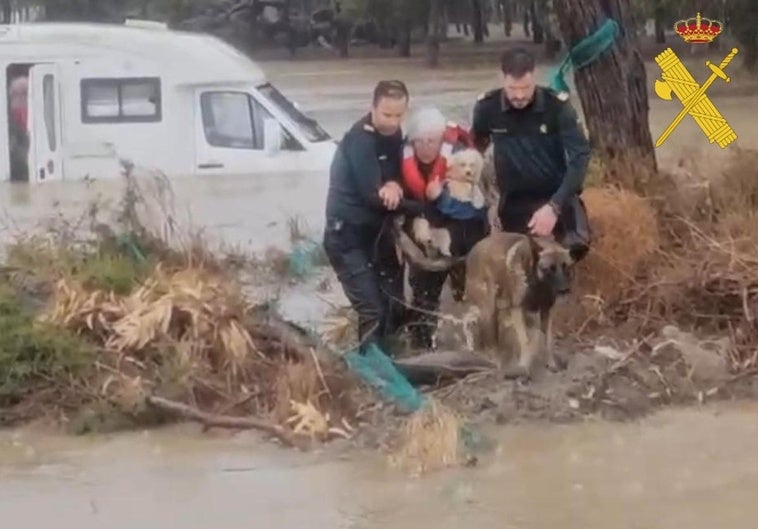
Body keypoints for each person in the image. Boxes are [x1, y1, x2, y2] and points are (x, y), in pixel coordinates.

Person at [323, 80, 417, 355]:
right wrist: (421, 208)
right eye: (386, 115)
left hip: (376, 235)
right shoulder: (359, 140)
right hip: (346, 237)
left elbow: (395, 175)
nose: (392, 122)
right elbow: (373, 197)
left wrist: (396, 185)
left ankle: (394, 356)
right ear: (372, 108)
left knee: (395, 304)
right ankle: (370, 369)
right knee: (372, 310)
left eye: (399, 115)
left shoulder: (395, 134)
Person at [471, 47, 591, 260]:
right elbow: (474, 151)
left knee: (573, 251)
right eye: (512, 88)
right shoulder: (487, 108)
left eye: (525, 88)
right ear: (502, 78)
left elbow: (580, 156)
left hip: (556, 195)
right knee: (520, 261)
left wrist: (554, 207)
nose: (519, 96)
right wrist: (488, 201)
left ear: (534, 77)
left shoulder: (557, 107)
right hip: (513, 201)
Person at [400, 107, 489, 350]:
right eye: (421, 141)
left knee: (469, 294)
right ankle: (421, 344)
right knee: (423, 292)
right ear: (412, 141)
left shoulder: (464, 159)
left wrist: (440, 199)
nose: (427, 147)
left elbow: (474, 208)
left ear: (442, 141)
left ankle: (476, 343)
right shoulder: (403, 160)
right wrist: (418, 217)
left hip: (465, 237)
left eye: (433, 141)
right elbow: (401, 202)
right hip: (428, 239)